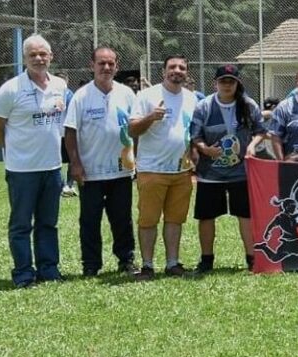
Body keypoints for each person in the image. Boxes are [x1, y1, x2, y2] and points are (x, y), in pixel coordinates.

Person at [0, 33, 71, 287]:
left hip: (52, 167)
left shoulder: (60, 86)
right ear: (24, 58)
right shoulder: (11, 89)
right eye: (32, 54)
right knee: (21, 225)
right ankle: (24, 274)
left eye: (42, 54)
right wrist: (13, 149)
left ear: (51, 56)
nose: (38, 58)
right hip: (22, 170)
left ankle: (49, 270)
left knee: (48, 223)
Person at [64, 45, 137, 278]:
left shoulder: (127, 93)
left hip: (121, 171)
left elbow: (136, 128)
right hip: (91, 173)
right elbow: (71, 132)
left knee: (122, 219)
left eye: (110, 63)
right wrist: (75, 164)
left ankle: (126, 260)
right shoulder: (81, 96)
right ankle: (91, 264)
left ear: (117, 66)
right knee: (90, 220)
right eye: (101, 63)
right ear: (92, 65)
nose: (106, 67)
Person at [189, 64, 269, 274]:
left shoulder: (248, 105)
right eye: (223, 81)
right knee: (206, 218)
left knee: (245, 216)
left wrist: (251, 146)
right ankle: (206, 260)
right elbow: (195, 136)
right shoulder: (204, 106)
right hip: (210, 174)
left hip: (240, 173)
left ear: (237, 84)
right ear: (215, 83)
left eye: (231, 81)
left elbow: (261, 130)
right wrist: (205, 149)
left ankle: (252, 259)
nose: (227, 85)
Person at [128, 54, 198, 278]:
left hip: (181, 171)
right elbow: (132, 130)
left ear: (187, 72)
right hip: (152, 169)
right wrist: (151, 117)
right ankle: (147, 266)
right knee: (148, 220)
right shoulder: (147, 95)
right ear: (163, 71)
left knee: (175, 219)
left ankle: (172, 263)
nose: (177, 71)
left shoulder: (192, 98)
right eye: (172, 67)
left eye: (182, 67)